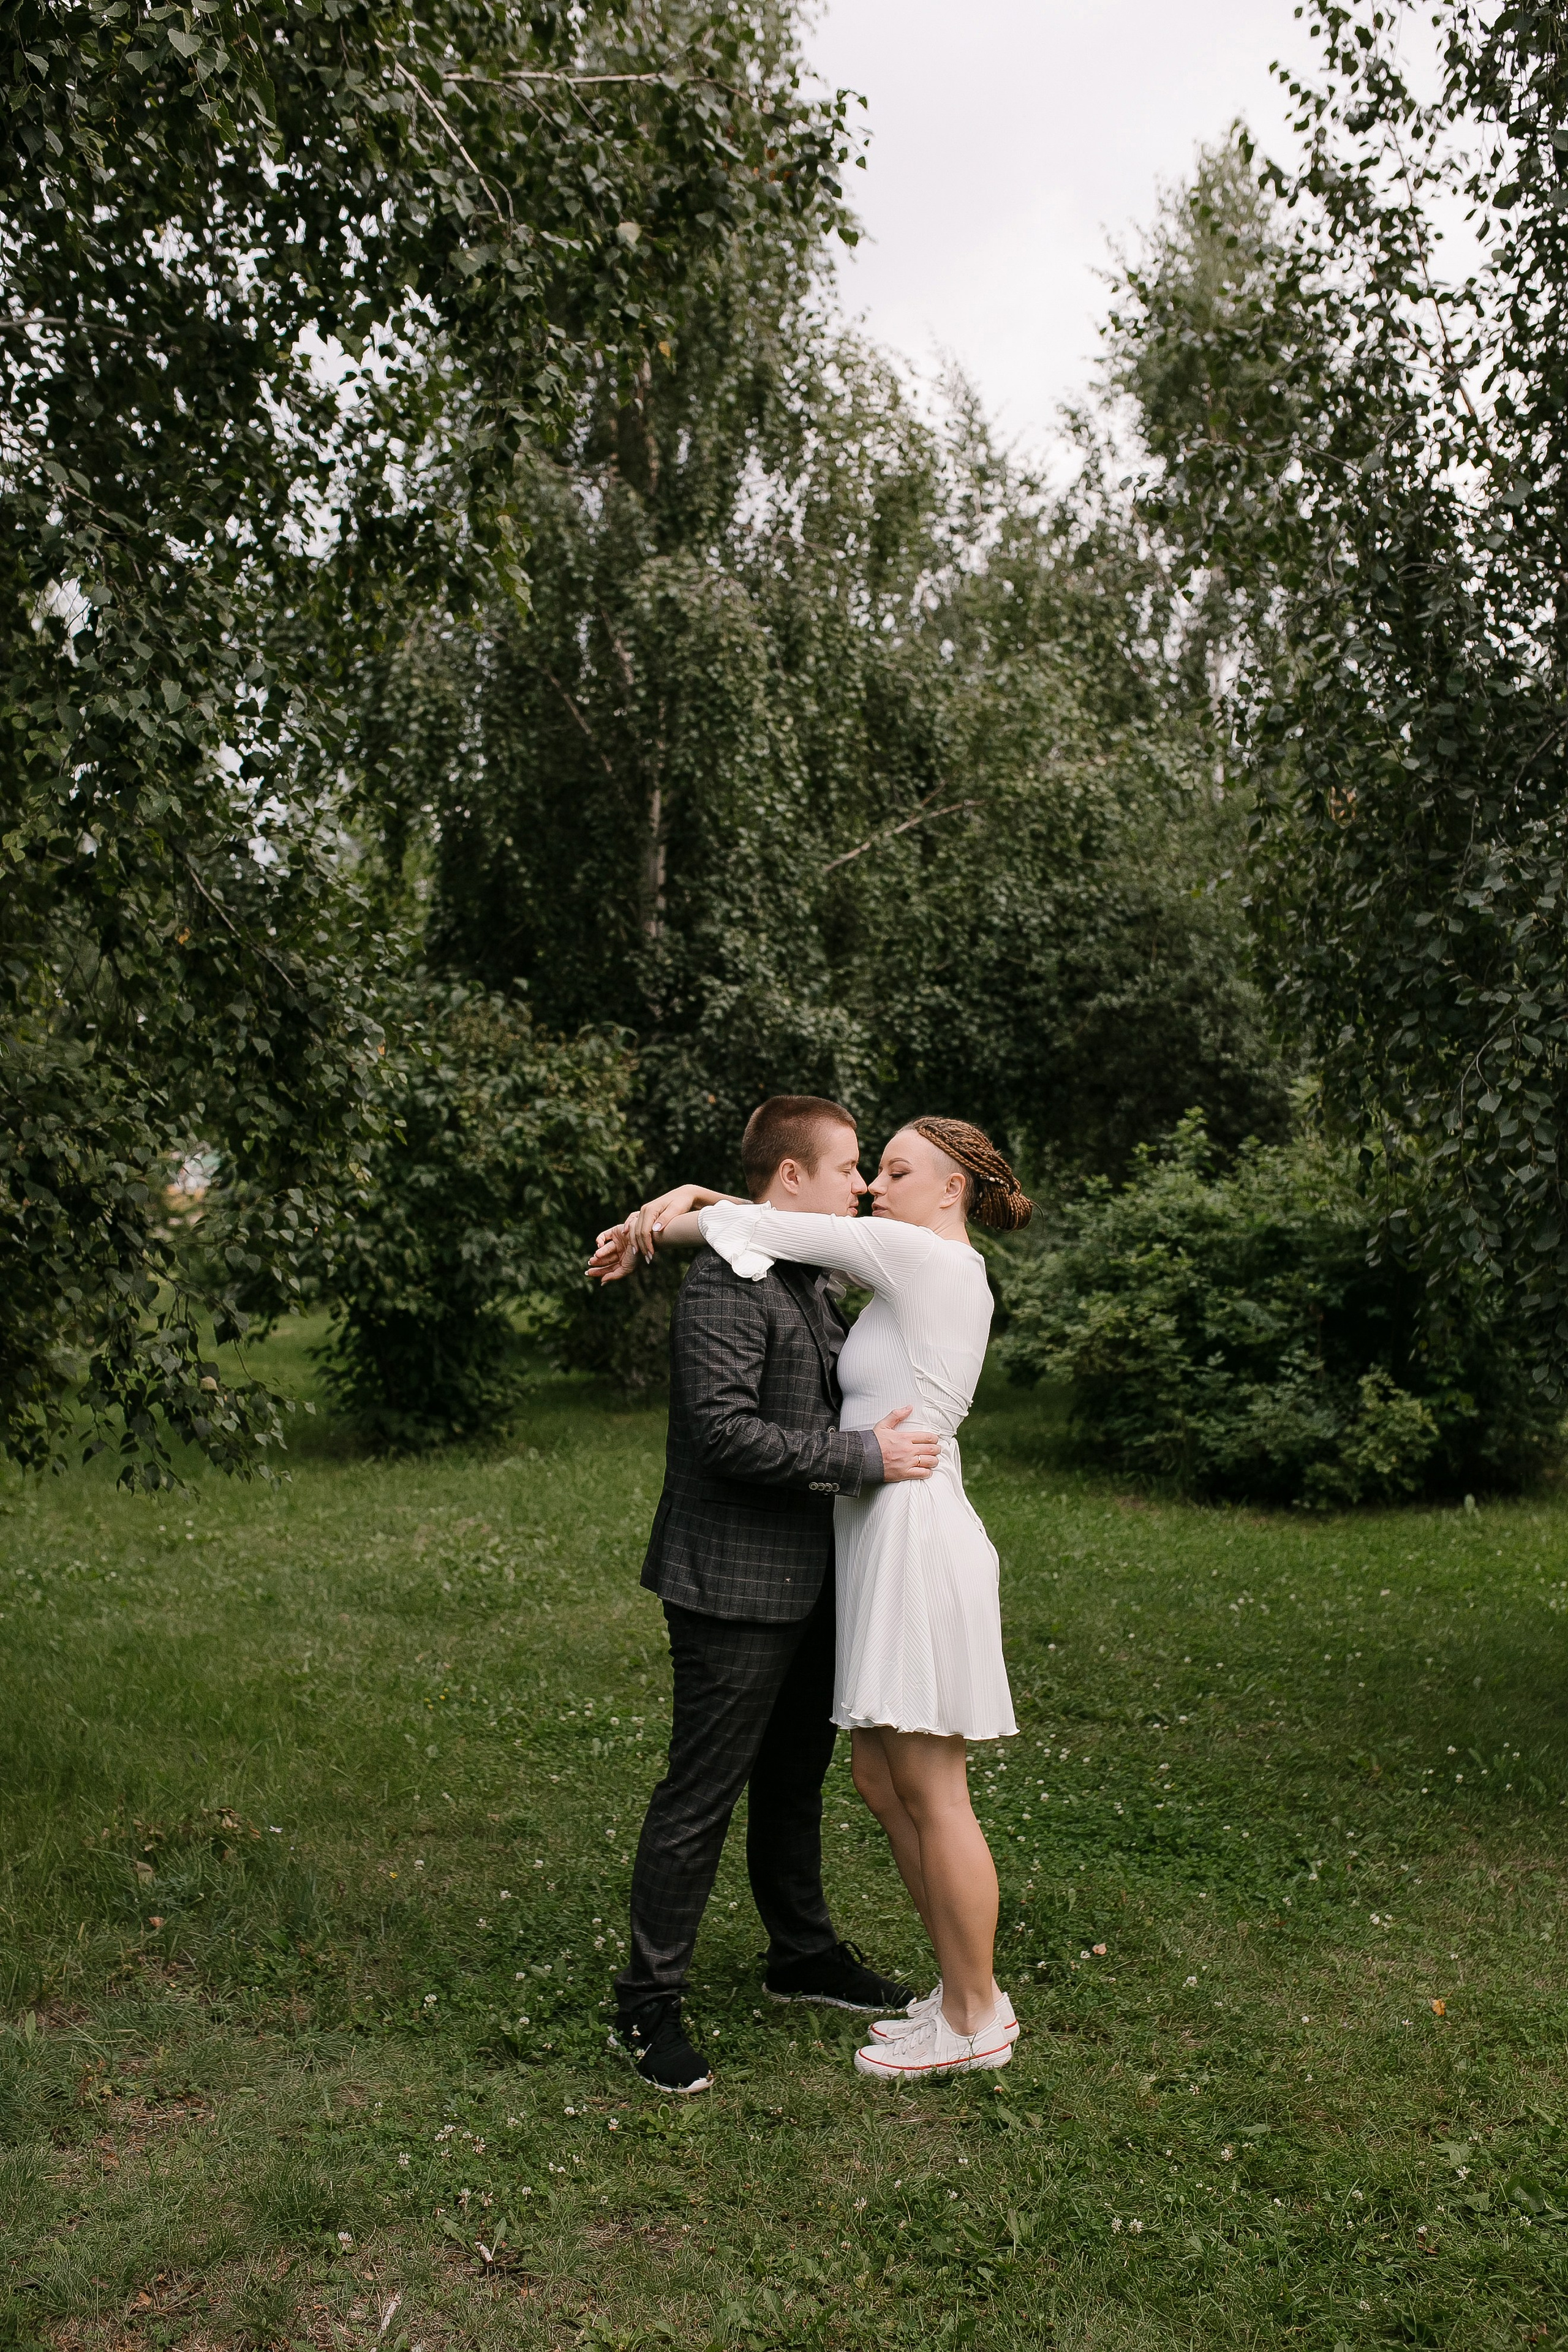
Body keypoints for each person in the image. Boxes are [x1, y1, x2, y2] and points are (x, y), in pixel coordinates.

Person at [589, 1115, 1033, 2084]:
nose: (869, 1186)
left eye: (891, 1168)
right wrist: (690, 1209)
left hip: (888, 1547)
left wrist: (679, 1210)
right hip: (786, 1566)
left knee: (880, 1785)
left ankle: (942, 1998)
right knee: (817, 1784)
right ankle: (660, 2002)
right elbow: (724, 1423)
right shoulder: (787, 1274)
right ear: (797, 1173)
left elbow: (778, 1226)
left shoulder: (906, 1261)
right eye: (856, 1168)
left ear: (952, 1187)